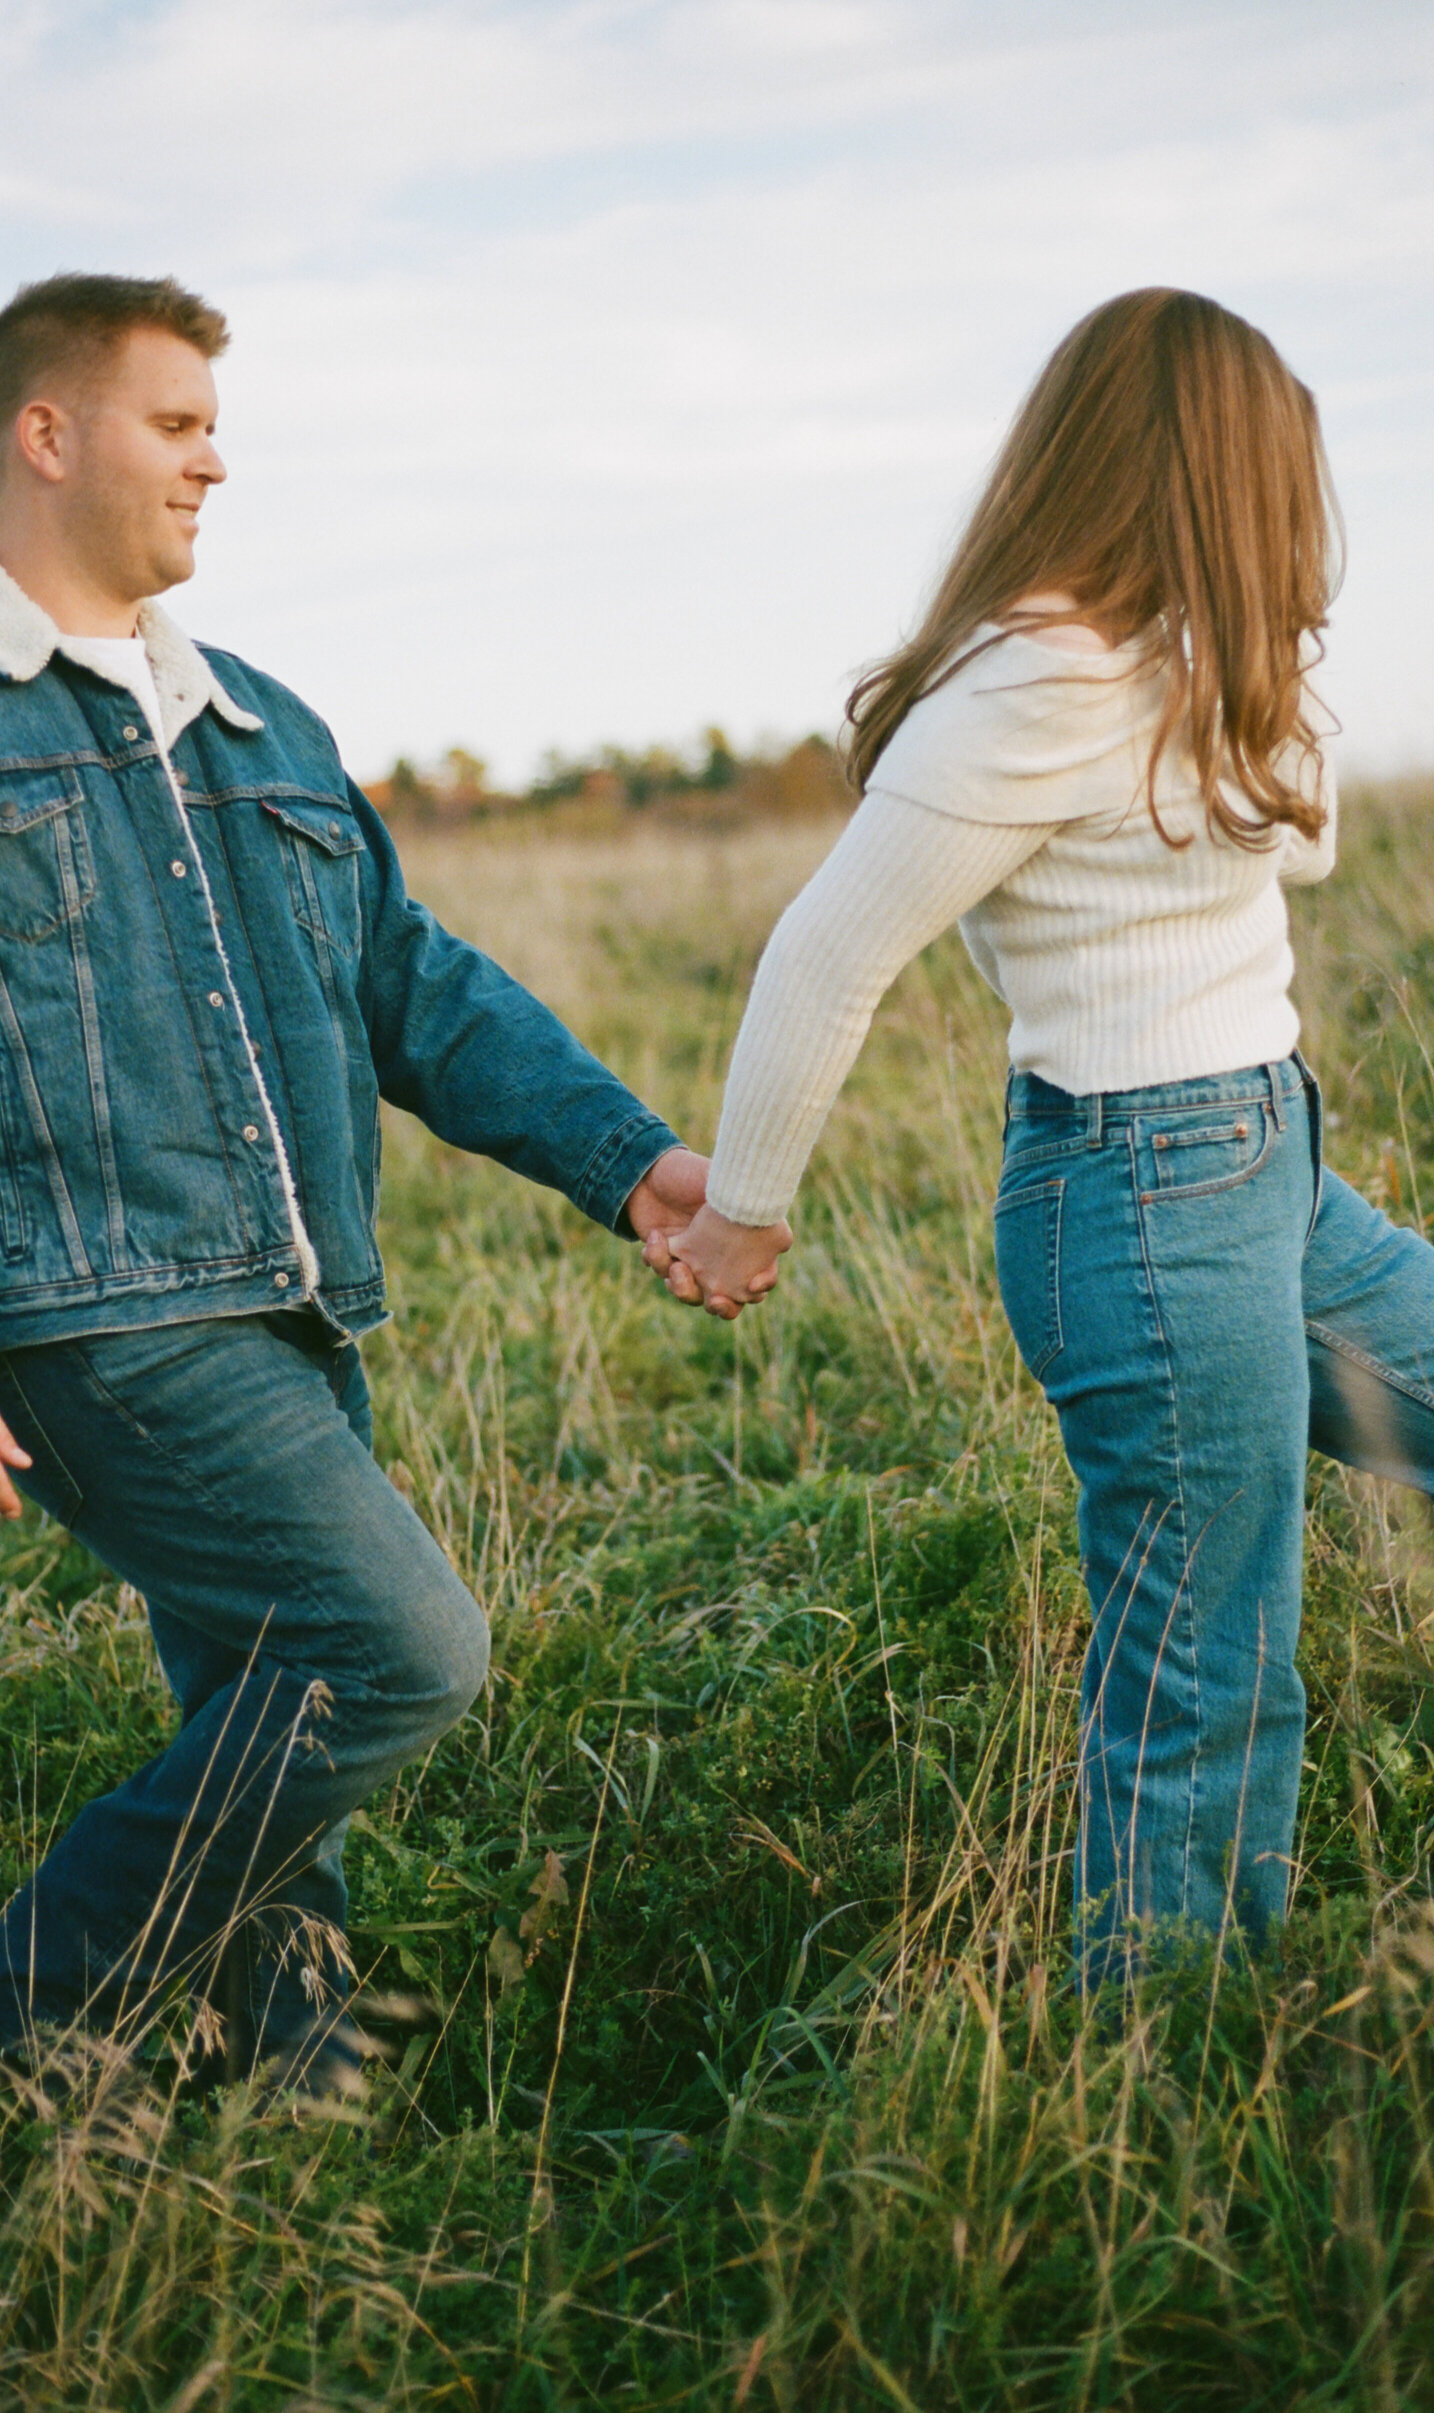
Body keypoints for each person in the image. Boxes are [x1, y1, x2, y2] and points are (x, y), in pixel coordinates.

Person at [654, 288, 1434, 1970]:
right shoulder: (1034, 683)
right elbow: (827, 949)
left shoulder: (1161, 667)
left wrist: (1253, 658)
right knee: (1212, 1655)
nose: (1301, 520)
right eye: (1279, 483)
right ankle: (1165, 2075)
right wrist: (749, 1204)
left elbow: (1297, 841)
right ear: (1209, 475)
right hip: (1149, 1191)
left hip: (1269, 1169)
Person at [0, 271, 725, 2091]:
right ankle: (41, 1993)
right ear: (46, 433)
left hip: (296, 1296)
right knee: (395, 1645)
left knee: (267, 1675)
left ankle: (283, 2026)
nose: (214, 464)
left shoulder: (259, 723)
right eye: (177, 425)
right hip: (98, 1315)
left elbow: (414, 986)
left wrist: (628, 1162)